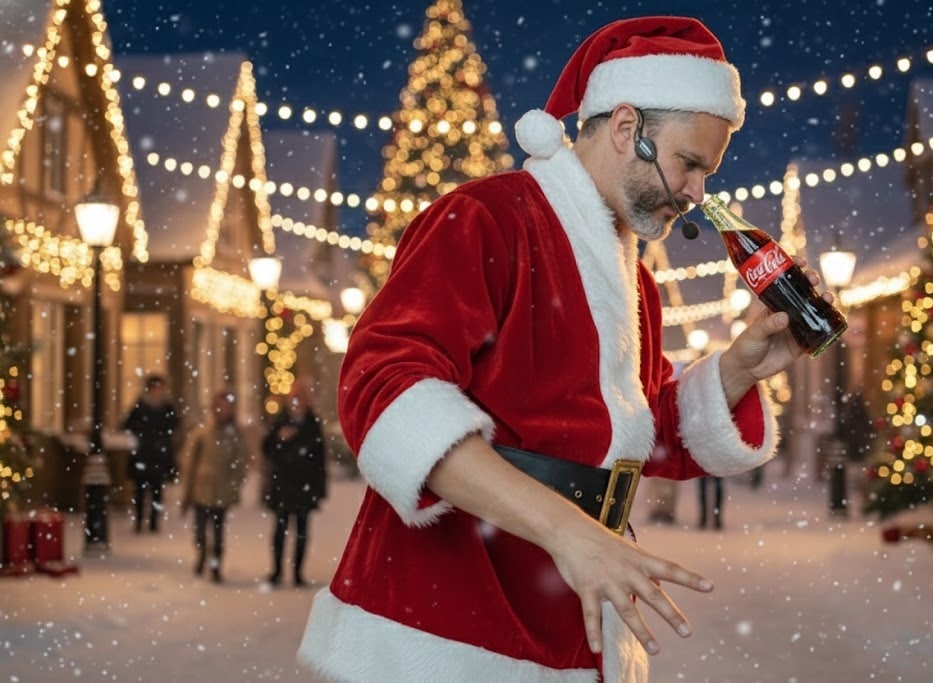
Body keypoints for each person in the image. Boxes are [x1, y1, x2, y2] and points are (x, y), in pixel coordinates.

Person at [299, 16, 833, 682]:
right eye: (690, 163)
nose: (698, 194)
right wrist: (567, 530)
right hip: (448, 628)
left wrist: (737, 370)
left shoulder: (635, 283)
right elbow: (384, 392)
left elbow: (634, 437)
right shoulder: (486, 218)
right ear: (626, 127)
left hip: (572, 632)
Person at [261, 378, 327, 587]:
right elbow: (267, 449)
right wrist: (280, 439)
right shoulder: (280, 420)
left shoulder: (312, 424)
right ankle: (277, 571)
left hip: (303, 487)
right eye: (294, 397)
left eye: (301, 397)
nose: (297, 402)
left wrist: (319, 488)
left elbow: (319, 458)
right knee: (280, 530)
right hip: (283, 485)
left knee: (301, 531)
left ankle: (297, 573)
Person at [180, 390, 249, 583]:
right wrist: (188, 489)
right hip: (202, 489)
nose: (222, 410)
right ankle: (202, 553)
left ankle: (216, 565)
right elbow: (189, 462)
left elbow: (241, 462)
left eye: (226, 407)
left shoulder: (234, 434)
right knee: (200, 529)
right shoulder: (202, 432)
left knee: (218, 531)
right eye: (219, 406)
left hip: (222, 490)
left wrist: (234, 483)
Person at [121, 374, 180, 534]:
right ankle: (139, 520)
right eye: (156, 388)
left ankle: (154, 521)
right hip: (142, 454)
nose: (158, 391)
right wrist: (141, 436)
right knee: (140, 491)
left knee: (157, 491)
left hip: (159, 455)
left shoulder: (166, 407)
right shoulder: (141, 406)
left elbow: (174, 425)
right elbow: (128, 424)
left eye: (161, 388)